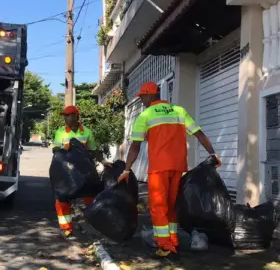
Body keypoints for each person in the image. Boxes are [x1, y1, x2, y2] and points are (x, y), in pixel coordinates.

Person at [118, 82, 221, 257]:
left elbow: (135, 146)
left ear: (149, 95)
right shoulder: (179, 111)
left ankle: (165, 245)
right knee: (172, 205)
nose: (142, 101)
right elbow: (198, 133)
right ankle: (173, 240)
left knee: (158, 206)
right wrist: (213, 153)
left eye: (142, 97)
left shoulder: (146, 115)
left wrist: (127, 170)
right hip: (178, 166)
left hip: (159, 167)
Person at [52, 105, 112, 239]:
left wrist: (103, 162)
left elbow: (94, 150)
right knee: (62, 199)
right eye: (65, 116)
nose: (66, 118)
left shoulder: (86, 132)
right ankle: (66, 228)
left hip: (84, 172)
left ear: (75, 116)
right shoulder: (61, 132)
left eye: (68, 115)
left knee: (91, 198)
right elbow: (55, 150)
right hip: (67, 172)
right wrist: (63, 148)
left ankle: (93, 226)